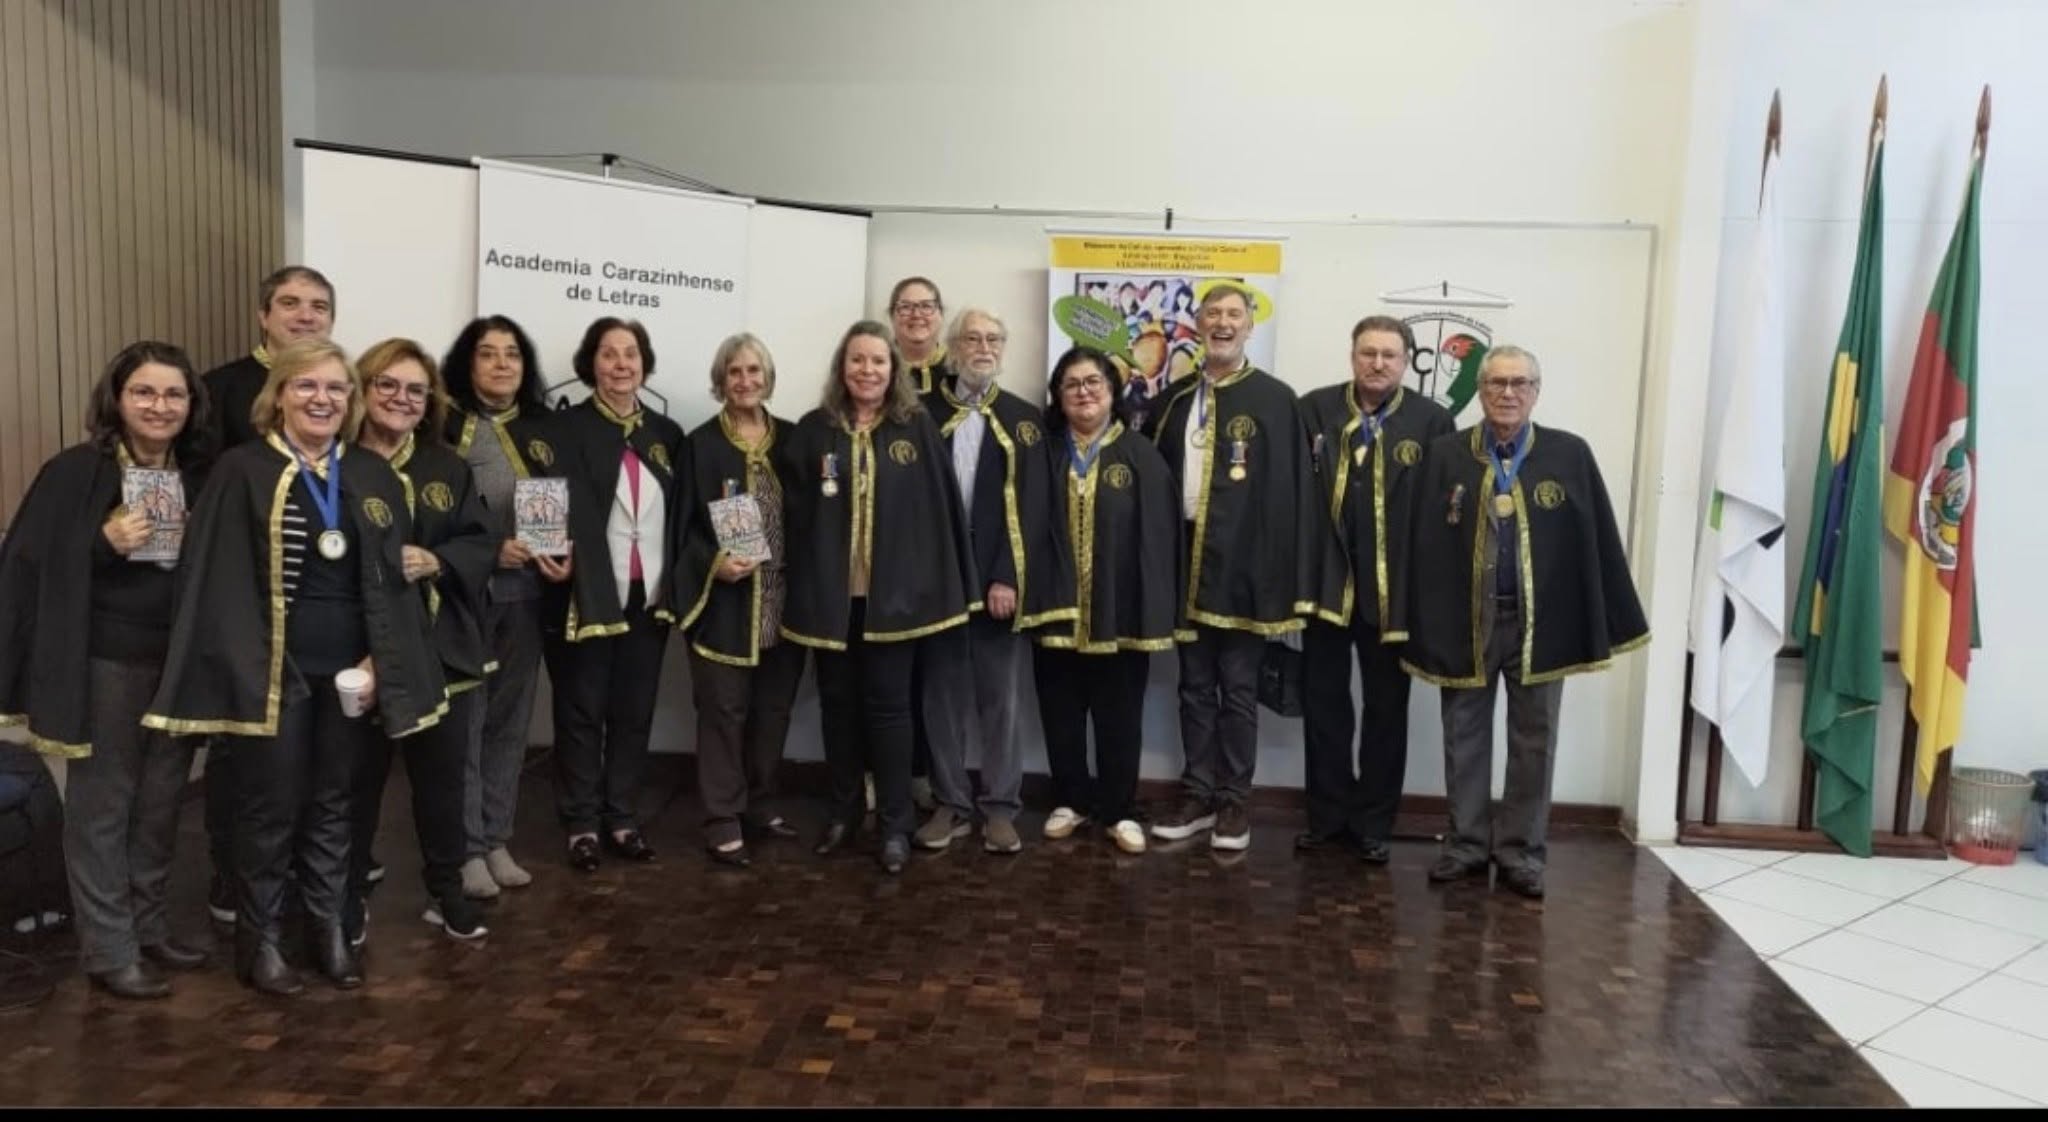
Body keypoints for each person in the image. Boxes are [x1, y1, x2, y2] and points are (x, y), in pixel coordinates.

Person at [143, 338, 447, 996]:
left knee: (337, 804)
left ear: (351, 400)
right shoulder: (240, 470)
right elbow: (214, 581)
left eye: (336, 388)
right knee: (270, 809)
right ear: (278, 394)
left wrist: (380, 660)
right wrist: (250, 663)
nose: (322, 398)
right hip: (272, 672)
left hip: (351, 673)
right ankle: (260, 943)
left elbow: (391, 585)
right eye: (306, 385)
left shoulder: (370, 474)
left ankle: (329, 931)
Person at [0, 341, 214, 999]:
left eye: (173, 394)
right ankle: (108, 948)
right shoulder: (75, 471)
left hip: (178, 660)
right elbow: (28, 564)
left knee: (160, 803)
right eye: (144, 392)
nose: (159, 406)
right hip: (105, 662)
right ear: (117, 399)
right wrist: (102, 543)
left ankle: (148, 927)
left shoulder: (200, 473)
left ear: (191, 404)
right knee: (104, 804)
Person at [1395, 344, 1648, 899]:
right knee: (1463, 735)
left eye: (1519, 384)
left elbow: (1596, 542)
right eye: (1496, 383)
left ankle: (1521, 853)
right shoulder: (1445, 454)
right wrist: (1415, 617)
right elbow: (1420, 542)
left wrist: (1599, 615)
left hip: (1540, 624)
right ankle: (1465, 845)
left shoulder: (1568, 454)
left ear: (1536, 391)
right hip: (1466, 621)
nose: (1507, 393)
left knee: (1536, 740)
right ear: (1480, 390)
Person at [777, 321, 975, 875]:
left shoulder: (917, 426)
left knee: (890, 712)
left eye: (878, 361)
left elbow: (939, 514)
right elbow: (793, 513)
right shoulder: (814, 430)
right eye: (857, 360)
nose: (868, 370)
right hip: (831, 602)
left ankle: (894, 825)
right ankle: (844, 814)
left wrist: (940, 588)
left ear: (894, 369)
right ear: (842, 368)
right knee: (838, 708)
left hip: (896, 603)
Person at [1144, 282, 1332, 851]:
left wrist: (1284, 578)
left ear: (1250, 326)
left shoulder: (1276, 400)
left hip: (1248, 563)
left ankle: (1234, 803)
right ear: (1199, 323)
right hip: (1184, 559)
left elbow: (1292, 495)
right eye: (1213, 314)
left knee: (1239, 687)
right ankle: (1197, 794)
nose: (1223, 323)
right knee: (1194, 686)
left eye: (1234, 314)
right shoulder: (1173, 400)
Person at [196, 264, 338, 927]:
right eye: (290, 303)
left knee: (314, 760)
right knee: (240, 755)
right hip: (246, 602)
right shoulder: (220, 388)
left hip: (321, 604)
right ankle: (232, 876)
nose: (305, 315)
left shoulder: (338, 386)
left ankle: (309, 875)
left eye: (318, 306)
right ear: (263, 315)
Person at [344, 339, 497, 943]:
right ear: (362, 389)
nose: (401, 399)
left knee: (442, 782)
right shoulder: (335, 463)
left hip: (440, 651)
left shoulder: (447, 467)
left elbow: (481, 541)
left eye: (415, 390)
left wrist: (438, 559)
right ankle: (348, 895)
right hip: (361, 655)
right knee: (355, 782)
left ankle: (446, 890)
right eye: (387, 384)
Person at [1297, 316, 1454, 863]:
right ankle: (1326, 817)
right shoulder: (1315, 409)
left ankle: (1374, 823)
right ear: (1352, 355)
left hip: (1394, 592)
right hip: (1326, 585)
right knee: (1324, 705)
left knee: (1387, 709)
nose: (1378, 363)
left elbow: (1442, 511)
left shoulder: (1432, 420)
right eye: (1368, 352)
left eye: (1389, 354)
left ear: (1407, 361)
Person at [539, 317, 689, 874]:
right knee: (581, 710)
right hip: (586, 592)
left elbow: (683, 511)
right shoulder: (564, 428)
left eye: (631, 354)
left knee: (633, 710)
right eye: (609, 354)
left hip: (647, 594)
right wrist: (547, 553)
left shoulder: (666, 434)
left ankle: (622, 817)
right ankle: (581, 823)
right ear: (591, 363)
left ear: (644, 363)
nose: (621, 364)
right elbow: (544, 496)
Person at [1018, 347, 1180, 854]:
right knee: (1060, 710)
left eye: (1093, 382)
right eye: (1072, 384)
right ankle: (1071, 800)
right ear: (1058, 396)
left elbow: (1160, 539)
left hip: (1121, 613)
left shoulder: (1141, 456)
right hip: (1056, 608)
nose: (1083, 392)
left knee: (1120, 716)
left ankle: (1119, 809)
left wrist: (1154, 607)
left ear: (1112, 391)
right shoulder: (1043, 454)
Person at [914, 308, 1049, 856]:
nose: (984, 348)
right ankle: (950, 802)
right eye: (972, 338)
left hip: (998, 583)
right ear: (952, 348)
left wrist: (1007, 576)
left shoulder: (1023, 418)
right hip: (939, 582)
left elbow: (1033, 508)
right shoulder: (921, 413)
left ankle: (1000, 808)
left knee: (1002, 702)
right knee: (941, 699)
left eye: (994, 338)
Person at [672, 333, 803, 868]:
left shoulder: (793, 439)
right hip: (726, 602)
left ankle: (760, 803)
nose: (745, 381)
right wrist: (713, 564)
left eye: (754, 370)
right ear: (720, 381)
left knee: (772, 712)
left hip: (784, 600)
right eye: (735, 372)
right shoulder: (700, 445)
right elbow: (680, 529)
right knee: (723, 712)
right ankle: (722, 818)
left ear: (767, 377)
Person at [440, 315, 555, 899]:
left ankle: (496, 837)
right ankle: (464, 848)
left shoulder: (544, 428)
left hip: (527, 596)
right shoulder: (442, 426)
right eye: (488, 353)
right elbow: (432, 512)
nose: (502, 363)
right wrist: (489, 552)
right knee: (467, 722)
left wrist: (563, 552)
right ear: (468, 363)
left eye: (512, 353)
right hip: (463, 597)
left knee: (510, 720)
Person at [887, 275, 950, 813]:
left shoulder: (960, 378)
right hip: (886, 550)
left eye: (926, 306)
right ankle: (888, 775)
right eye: (905, 307)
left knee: (935, 675)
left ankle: (929, 776)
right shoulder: (874, 374)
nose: (916, 315)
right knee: (888, 677)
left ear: (940, 315)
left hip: (942, 550)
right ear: (892, 316)